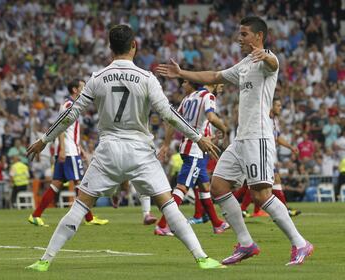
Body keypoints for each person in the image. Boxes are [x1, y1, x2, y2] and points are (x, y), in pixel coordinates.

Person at [26, 24, 223, 272]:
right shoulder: (147, 78)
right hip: (140, 150)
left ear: (110, 48)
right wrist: (198, 137)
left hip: (109, 149)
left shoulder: (97, 78)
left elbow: (71, 114)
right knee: (168, 204)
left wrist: (44, 140)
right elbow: (169, 115)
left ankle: (45, 260)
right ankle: (202, 257)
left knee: (80, 206)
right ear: (134, 46)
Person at [157, 16, 313, 266]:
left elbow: (274, 65)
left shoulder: (267, 58)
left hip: (259, 137)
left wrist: (267, 56)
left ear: (258, 36)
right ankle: (246, 243)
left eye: (244, 34)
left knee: (261, 194)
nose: (239, 39)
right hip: (241, 138)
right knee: (218, 186)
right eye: (239, 34)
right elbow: (215, 74)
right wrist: (181, 72)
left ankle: (300, 243)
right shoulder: (244, 64)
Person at [28, 78, 108, 227]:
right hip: (68, 152)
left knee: (57, 184)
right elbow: (60, 127)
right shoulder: (68, 105)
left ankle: (36, 215)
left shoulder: (74, 105)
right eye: (82, 87)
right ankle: (89, 218)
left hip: (72, 149)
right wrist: (64, 149)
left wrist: (81, 149)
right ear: (75, 90)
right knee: (81, 183)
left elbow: (71, 132)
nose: (85, 90)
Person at [155, 80, 229, 235]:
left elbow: (173, 120)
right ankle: (162, 224)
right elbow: (211, 116)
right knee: (182, 188)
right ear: (212, 83)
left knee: (204, 187)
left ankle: (216, 224)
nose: (221, 90)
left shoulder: (188, 98)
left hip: (190, 147)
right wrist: (224, 128)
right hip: (195, 148)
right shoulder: (208, 96)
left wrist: (167, 144)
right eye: (220, 86)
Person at [235, 97, 302, 217]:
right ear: (270, 106)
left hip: (269, 155)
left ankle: (245, 209)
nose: (280, 108)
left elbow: (277, 137)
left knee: (261, 183)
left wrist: (290, 147)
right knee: (264, 182)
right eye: (278, 105)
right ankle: (284, 209)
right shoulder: (263, 119)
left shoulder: (274, 121)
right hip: (259, 153)